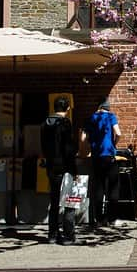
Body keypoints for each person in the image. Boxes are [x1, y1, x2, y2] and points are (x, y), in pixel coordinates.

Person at [41, 96, 78, 245]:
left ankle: (52, 234)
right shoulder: (65, 123)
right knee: (69, 201)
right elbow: (68, 148)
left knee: (54, 200)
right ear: (67, 108)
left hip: (51, 166)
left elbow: (43, 146)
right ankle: (68, 235)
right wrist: (73, 169)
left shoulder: (44, 124)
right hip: (65, 166)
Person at [81, 99, 122, 227]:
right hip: (109, 155)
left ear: (99, 107)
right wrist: (113, 144)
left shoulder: (92, 118)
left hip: (96, 157)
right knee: (113, 187)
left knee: (99, 187)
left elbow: (83, 138)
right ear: (107, 108)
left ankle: (99, 220)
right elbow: (118, 133)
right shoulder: (111, 117)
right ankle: (112, 219)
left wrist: (92, 144)